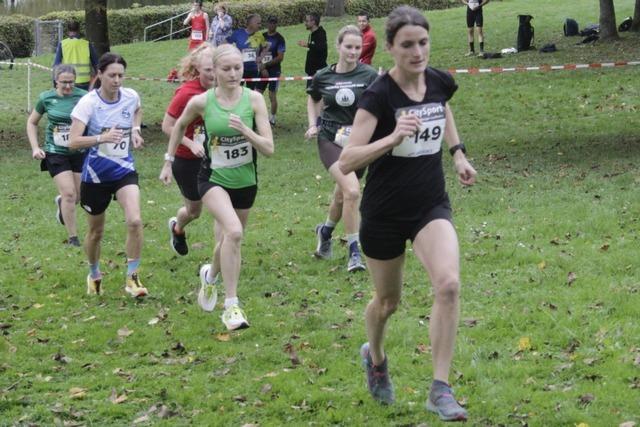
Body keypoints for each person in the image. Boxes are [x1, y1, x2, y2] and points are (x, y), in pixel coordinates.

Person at [338, 6, 476, 421]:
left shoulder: (438, 81)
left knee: (449, 285)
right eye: (408, 45)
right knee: (387, 302)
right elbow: (347, 161)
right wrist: (393, 136)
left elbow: (442, 108)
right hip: (383, 212)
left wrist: (457, 154)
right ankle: (375, 357)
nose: (418, 52)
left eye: (423, 43)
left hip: (430, 203)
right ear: (392, 48)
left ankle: (440, 388)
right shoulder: (378, 96)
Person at [160, 44, 274, 330]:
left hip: (246, 181)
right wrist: (168, 161)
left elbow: (269, 148)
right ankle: (231, 307)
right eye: (226, 69)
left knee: (229, 241)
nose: (234, 73)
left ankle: (209, 277)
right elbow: (176, 126)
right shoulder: (202, 101)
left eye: (238, 68)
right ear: (215, 71)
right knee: (233, 232)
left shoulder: (255, 100)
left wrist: (246, 131)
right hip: (212, 179)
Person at [69, 53, 148, 299]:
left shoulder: (130, 96)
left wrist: (135, 130)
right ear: (100, 75)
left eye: (120, 75)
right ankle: (93, 273)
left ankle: (132, 278)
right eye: (112, 75)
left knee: (134, 221)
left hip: (123, 169)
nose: (116, 80)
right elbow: (72, 141)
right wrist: (101, 138)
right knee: (96, 233)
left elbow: (137, 110)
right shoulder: (88, 103)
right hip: (95, 175)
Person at [305, 25, 378, 273]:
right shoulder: (323, 75)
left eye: (358, 47)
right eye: (348, 46)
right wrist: (312, 125)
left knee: (342, 194)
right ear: (338, 47)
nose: (353, 52)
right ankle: (354, 252)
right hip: (330, 139)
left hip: (358, 142)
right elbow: (313, 97)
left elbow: (380, 103)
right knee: (352, 191)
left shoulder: (369, 75)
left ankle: (325, 232)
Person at [160, 43, 216, 257]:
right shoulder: (186, 93)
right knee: (194, 211)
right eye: (207, 70)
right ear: (197, 70)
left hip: (214, 156)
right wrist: (191, 143)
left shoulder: (223, 89)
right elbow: (168, 126)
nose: (212, 74)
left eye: (215, 68)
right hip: (187, 159)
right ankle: (177, 227)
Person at [26, 64, 87, 247]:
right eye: (64, 83)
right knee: (69, 193)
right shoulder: (46, 98)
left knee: (78, 197)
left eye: (71, 82)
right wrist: (35, 147)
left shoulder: (84, 97)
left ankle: (62, 204)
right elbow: (32, 123)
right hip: (55, 152)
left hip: (79, 151)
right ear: (56, 81)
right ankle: (73, 238)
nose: (68, 86)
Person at [256, 16, 286, 126]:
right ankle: (256, 116)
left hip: (274, 71)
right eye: (270, 22)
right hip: (262, 70)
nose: (272, 25)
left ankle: (272, 118)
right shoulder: (262, 37)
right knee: (257, 93)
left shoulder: (280, 39)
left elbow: (280, 57)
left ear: (276, 24)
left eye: (274, 23)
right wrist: (261, 67)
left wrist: (266, 65)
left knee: (272, 95)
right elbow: (257, 53)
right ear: (267, 23)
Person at [53, 21, 98, 91]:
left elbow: (56, 65)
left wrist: (55, 82)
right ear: (79, 30)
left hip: (68, 81)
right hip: (85, 82)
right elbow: (96, 64)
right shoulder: (86, 44)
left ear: (68, 31)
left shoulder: (63, 44)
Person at [226, 14, 265, 90]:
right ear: (251, 23)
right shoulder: (238, 33)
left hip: (253, 69)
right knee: (236, 91)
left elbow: (266, 47)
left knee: (251, 93)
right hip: (239, 69)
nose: (260, 25)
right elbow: (225, 43)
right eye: (258, 23)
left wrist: (261, 57)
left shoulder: (259, 35)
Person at [297, 13, 327, 87]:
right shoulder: (312, 34)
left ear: (313, 22)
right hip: (311, 72)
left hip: (318, 73)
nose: (305, 23)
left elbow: (321, 48)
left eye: (307, 21)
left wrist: (307, 45)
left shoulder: (320, 33)